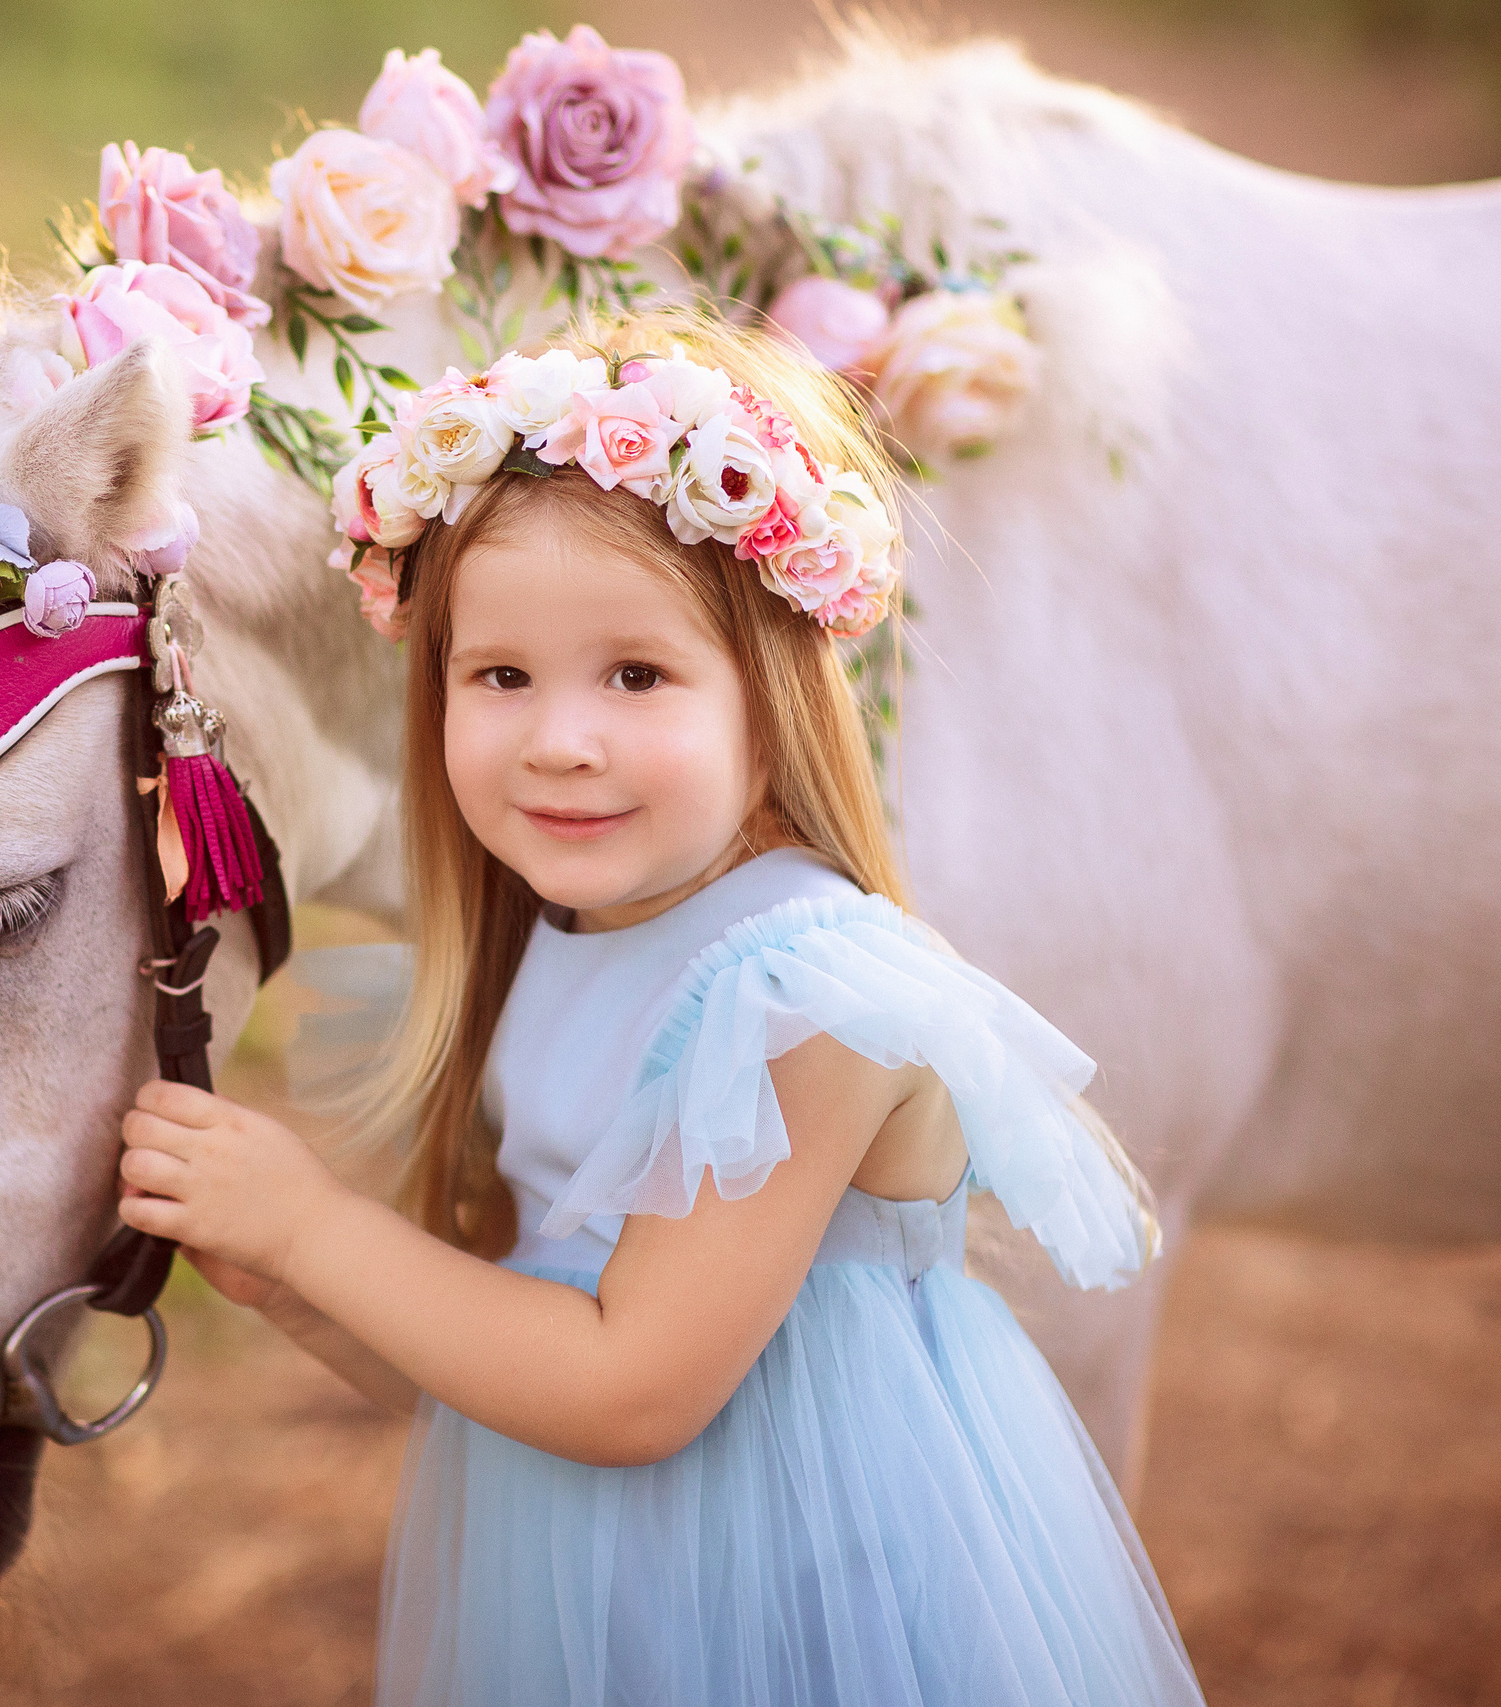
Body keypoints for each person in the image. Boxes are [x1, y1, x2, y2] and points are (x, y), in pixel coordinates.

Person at [115, 309, 1206, 1705]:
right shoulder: (552, 938)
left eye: (637, 675)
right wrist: (304, 1290)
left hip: (813, 1617)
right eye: (500, 676)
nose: (561, 740)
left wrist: (316, 1229)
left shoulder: (799, 998)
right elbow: (513, 1373)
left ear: (773, 695)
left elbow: (628, 1390)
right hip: (616, 1601)